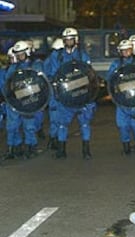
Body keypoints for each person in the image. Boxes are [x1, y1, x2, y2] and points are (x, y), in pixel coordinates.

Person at [47, 27, 97, 160]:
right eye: (66, 39)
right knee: (62, 124)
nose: (68, 41)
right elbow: (53, 75)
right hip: (64, 96)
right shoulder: (57, 56)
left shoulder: (82, 55)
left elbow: (89, 74)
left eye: (71, 39)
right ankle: (61, 150)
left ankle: (86, 150)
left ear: (76, 40)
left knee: (85, 123)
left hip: (81, 95)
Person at [2, 41, 45, 160]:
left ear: (27, 52)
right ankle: (12, 149)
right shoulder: (14, 67)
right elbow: (7, 82)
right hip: (16, 100)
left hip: (30, 100)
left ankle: (31, 147)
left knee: (29, 126)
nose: (19, 56)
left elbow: (40, 82)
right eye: (18, 54)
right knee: (12, 125)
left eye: (21, 54)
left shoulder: (36, 65)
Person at [44, 37, 64, 150]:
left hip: (53, 90)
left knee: (54, 117)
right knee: (60, 117)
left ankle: (53, 139)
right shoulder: (61, 58)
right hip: (60, 90)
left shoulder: (48, 60)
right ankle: (57, 140)